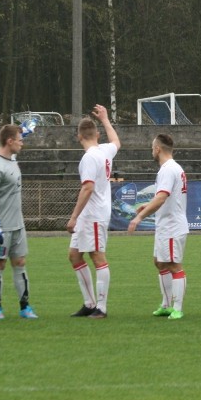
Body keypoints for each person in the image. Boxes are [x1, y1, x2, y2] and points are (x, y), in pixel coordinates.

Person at [127, 133, 189, 320]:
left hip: (172, 225)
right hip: (166, 224)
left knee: (174, 265)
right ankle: (165, 304)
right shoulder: (171, 168)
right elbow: (164, 196)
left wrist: (139, 218)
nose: (151, 151)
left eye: (152, 148)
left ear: (157, 149)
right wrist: (148, 206)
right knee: (160, 262)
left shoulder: (168, 169)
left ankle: (176, 308)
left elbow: (162, 197)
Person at [68, 105, 120, 319]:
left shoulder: (90, 157)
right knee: (74, 255)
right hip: (90, 215)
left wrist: (73, 216)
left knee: (97, 256)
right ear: (96, 135)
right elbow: (117, 142)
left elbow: (87, 188)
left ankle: (102, 307)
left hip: (95, 214)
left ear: (79, 136)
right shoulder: (105, 150)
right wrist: (106, 119)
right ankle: (89, 303)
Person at [0, 124, 38, 319]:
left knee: (20, 262)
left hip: (18, 225)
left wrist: (23, 131)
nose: (22, 143)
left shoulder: (11, 157)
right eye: (19, 140)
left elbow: (15, 143)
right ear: (9, 141)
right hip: (1, 226)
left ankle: (25, 306)